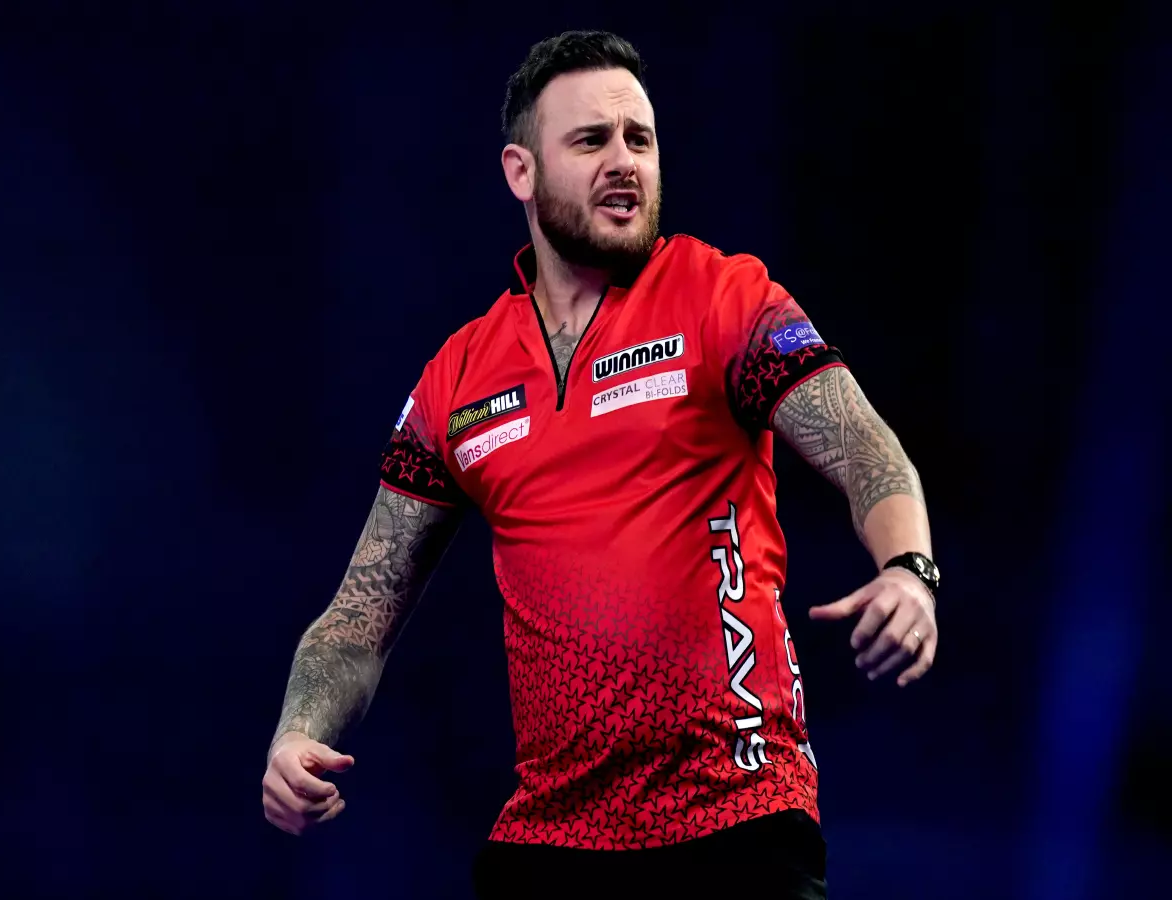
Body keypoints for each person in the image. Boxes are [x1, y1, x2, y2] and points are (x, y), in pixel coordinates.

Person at [261, 30, 939, 899]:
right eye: (591, 141)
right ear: (520, 172)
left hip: (737, 821)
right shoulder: (456, 380)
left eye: (640, 140)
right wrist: (294, 732)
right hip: (550, 843)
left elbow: (863, 444)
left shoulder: (723, 297)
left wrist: (909, 568)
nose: (625, 161)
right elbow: (359, 614)